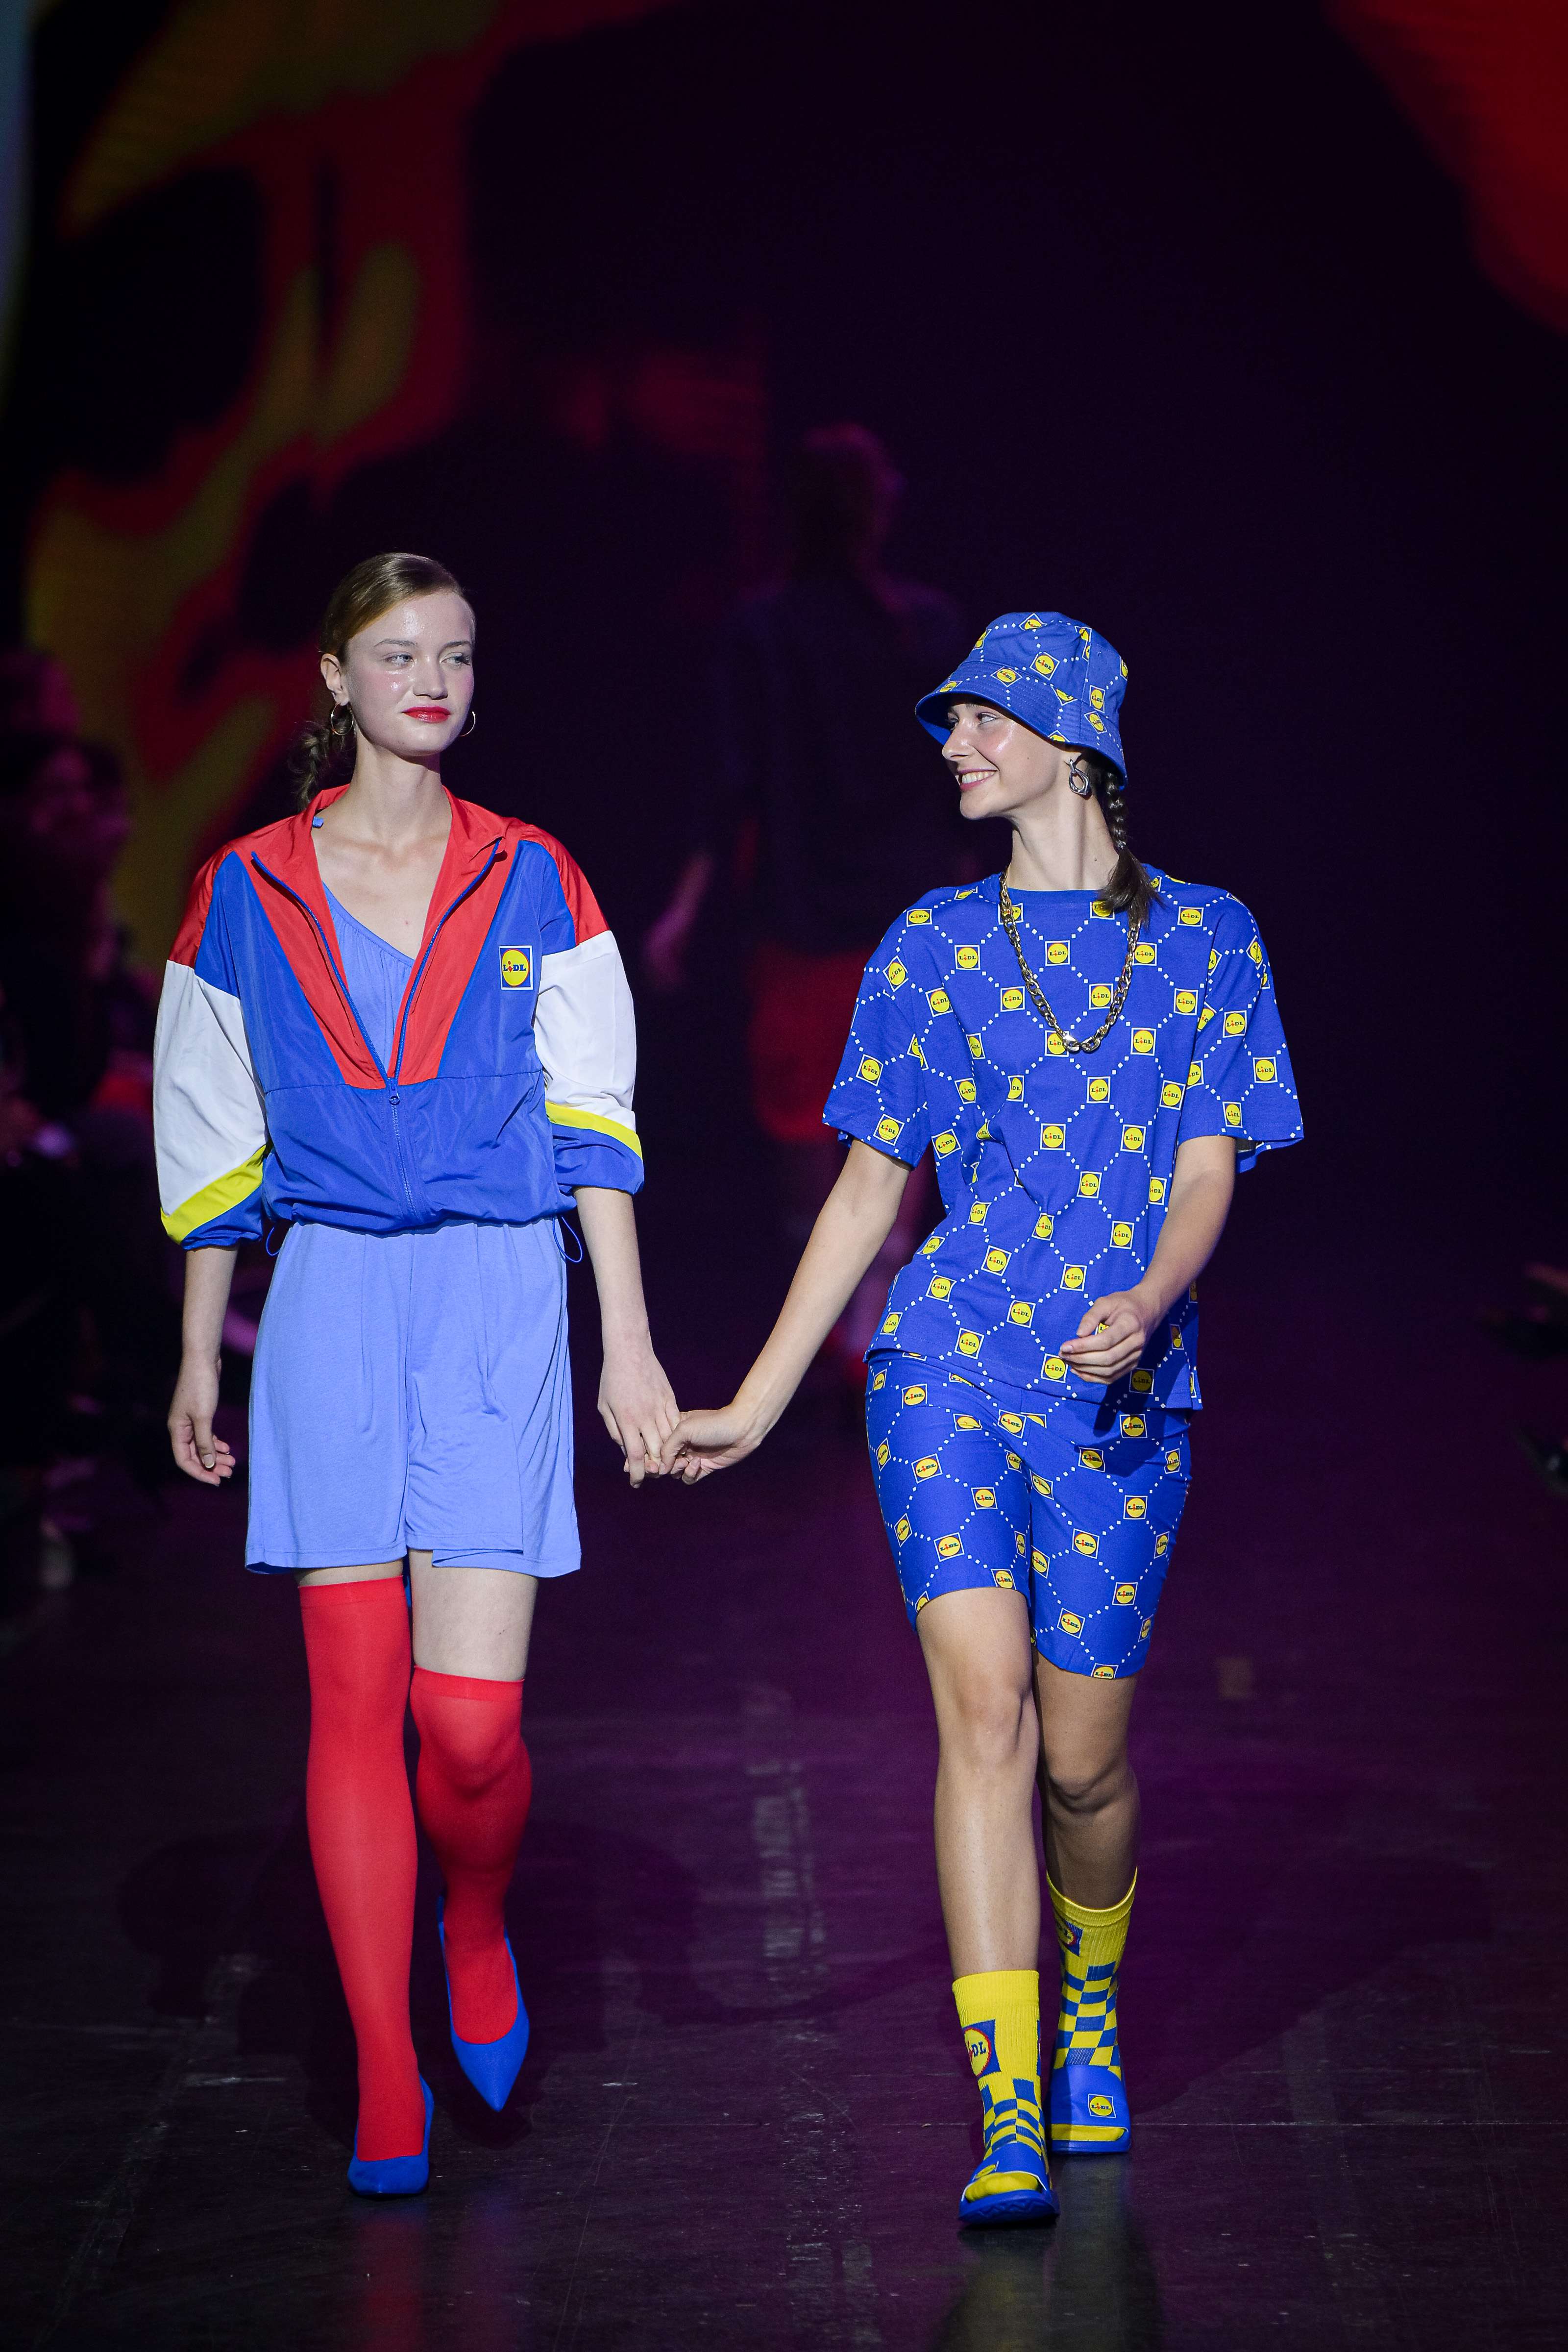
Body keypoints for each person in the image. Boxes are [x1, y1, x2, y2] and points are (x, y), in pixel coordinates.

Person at [668, 612, 1301, 2226]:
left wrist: (1153, 1295)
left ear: (1076, 741)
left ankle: (1086, 2003)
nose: (951, 744)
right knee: (984, 1717)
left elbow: (1212, 1163)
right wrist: (758, 1393)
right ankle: (1008, 2107)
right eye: (948, 720)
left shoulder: (1211, 936)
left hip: (1122, 1383)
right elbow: (867, 1189)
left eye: (983, 718)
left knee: (1084, 1767)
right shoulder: (931, 944)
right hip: (946, 1364)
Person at [154, 552, 677, 2197]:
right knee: (355, 1701)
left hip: (498, 1292)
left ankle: (475, 1917)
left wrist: (629, 1343)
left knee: (468, 1731)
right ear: (335, 677)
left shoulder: (536, 875)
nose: (432, 682)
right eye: (398, 655)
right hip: (327, 1300)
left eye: (454, 654)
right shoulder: (245, 888)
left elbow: (596, 1127)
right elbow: (213, 1134)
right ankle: (387, 2061)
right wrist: (197, 1352)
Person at [644, 424, 988, 1365]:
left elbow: (727, 783)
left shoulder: (767, 631)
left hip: (802, 926)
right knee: (906, 1115)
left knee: (805, 1116)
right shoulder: (926, 629)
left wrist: (684, 907)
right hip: (911, 921)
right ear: (878, 508)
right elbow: (970, 785)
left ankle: (841, 1319)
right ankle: (867, 1309)